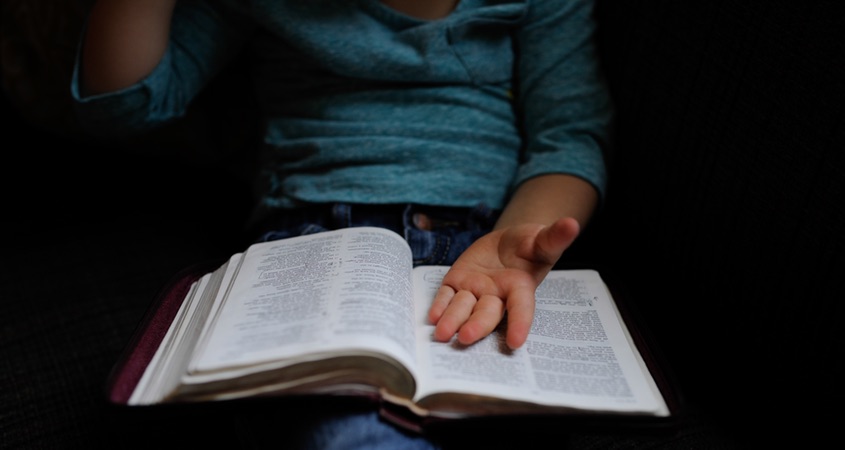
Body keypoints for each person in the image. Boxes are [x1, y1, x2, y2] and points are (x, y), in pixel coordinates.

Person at [72, 0, 612, 448]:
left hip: (484, 255)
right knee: (342, 429)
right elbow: (124, 105)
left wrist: (519, 235)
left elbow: (569, 135)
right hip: (312, 244)